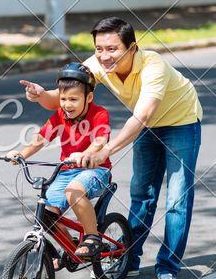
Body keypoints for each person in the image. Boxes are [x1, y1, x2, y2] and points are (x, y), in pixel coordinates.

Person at [20, 17, 202, 279]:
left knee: (176, 199)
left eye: (112, 49)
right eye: (99, 49)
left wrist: (104, 151)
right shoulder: (96, 64)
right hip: (146, 126)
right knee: (142, 194)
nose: (104, 56)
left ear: (132, 48)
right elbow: (66, 93)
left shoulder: (153, 66)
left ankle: (168, 267)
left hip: (180, 122)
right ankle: (129, 258)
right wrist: (40, 95)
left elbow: (142, 117)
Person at [7, 62, 112, 260]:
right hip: (67, 170)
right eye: (63, 99)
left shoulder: (99, 114)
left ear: (88, 98)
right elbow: (41, 138)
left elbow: (99, 141)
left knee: (74, 191)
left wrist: (85, 154)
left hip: (96, 170)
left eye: (73, 99)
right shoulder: (60, 115)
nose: (67, 104)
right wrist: (22, 154)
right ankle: (69, 246)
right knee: (46, 212)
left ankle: (92, 237)